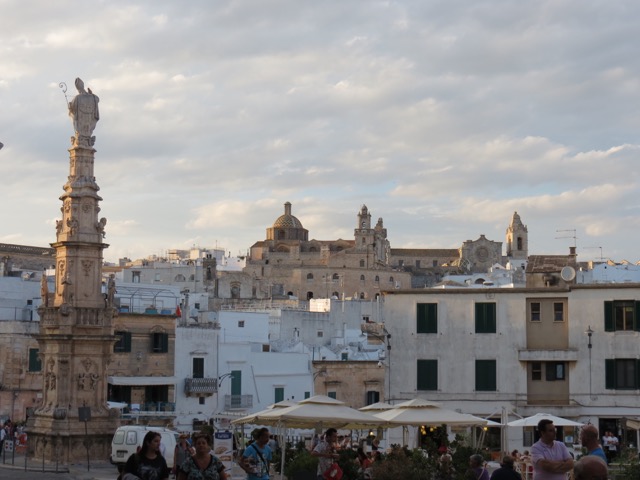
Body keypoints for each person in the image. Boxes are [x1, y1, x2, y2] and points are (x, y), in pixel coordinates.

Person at [68, 77, 100, 147]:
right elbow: (97, 99)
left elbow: (72, 109)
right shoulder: (93, 97)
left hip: (80, 125)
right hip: (89, 124)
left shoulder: (77, 98)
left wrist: (69, 106)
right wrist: (91, 94)